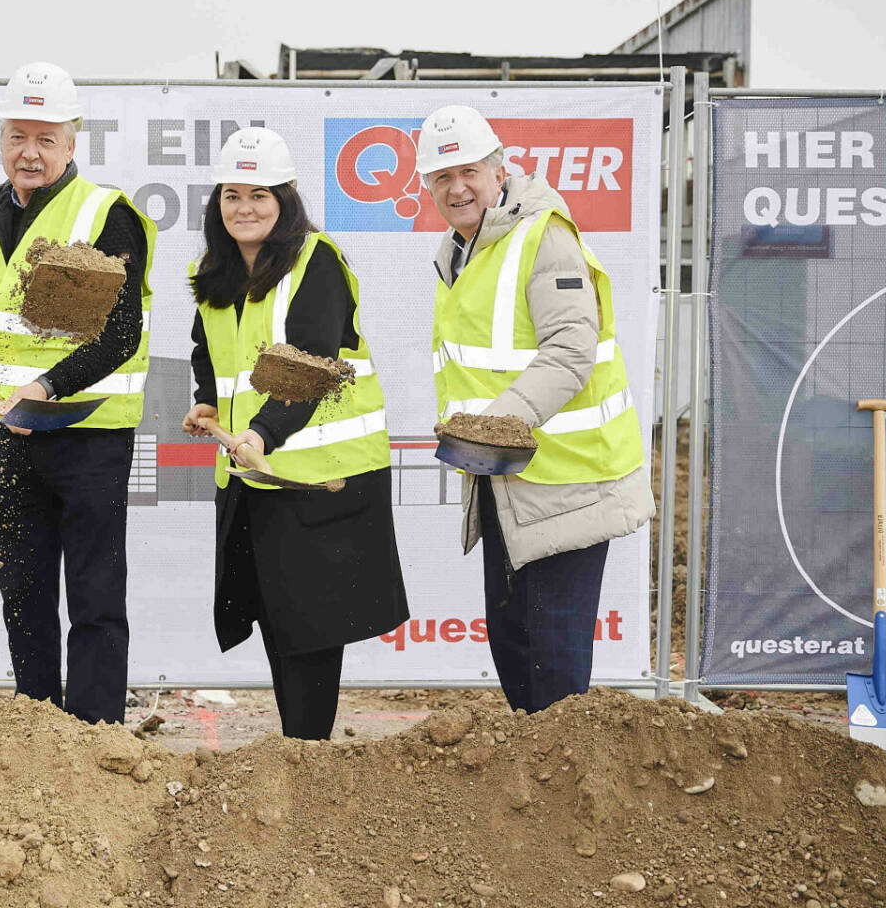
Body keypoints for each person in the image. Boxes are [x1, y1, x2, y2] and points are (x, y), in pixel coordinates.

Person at [418, 105, 654, 714]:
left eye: (469, 171)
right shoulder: (462, 249)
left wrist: (490, 424)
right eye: (442, 178)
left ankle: (567, 799)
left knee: (554, 660)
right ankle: (534, 790)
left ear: (499, 170)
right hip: (505, 475)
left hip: (569, 482)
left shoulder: (541, 234)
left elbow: (572, 351)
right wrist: (478, 434)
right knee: (514, 644)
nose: (457, 188)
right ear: (428, 188)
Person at [182, 128, 408, 740]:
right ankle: (298, 750)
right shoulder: (216, 270)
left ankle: (308, 755)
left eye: (259, 194)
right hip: (256, 473)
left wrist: (260, 432)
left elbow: (309, 366)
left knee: (310, 625)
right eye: (232, 194)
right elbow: (208, 351)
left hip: (319, 479)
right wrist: (207, 404)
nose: (244, 208)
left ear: (286, 199)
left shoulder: (317, 261)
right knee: (278, 616)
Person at [0, 62, 156, 725]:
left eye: (45, 138)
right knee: (24, 593)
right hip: (14, 435)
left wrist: (45, 386)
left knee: (95, 598)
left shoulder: (105, 214)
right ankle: (37, 734)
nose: (29, 152)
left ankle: (96, 742)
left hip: (89, 434)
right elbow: (3, 316)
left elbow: (120, 334)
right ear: (0, 138)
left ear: (72, 142)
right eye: (17, 136)